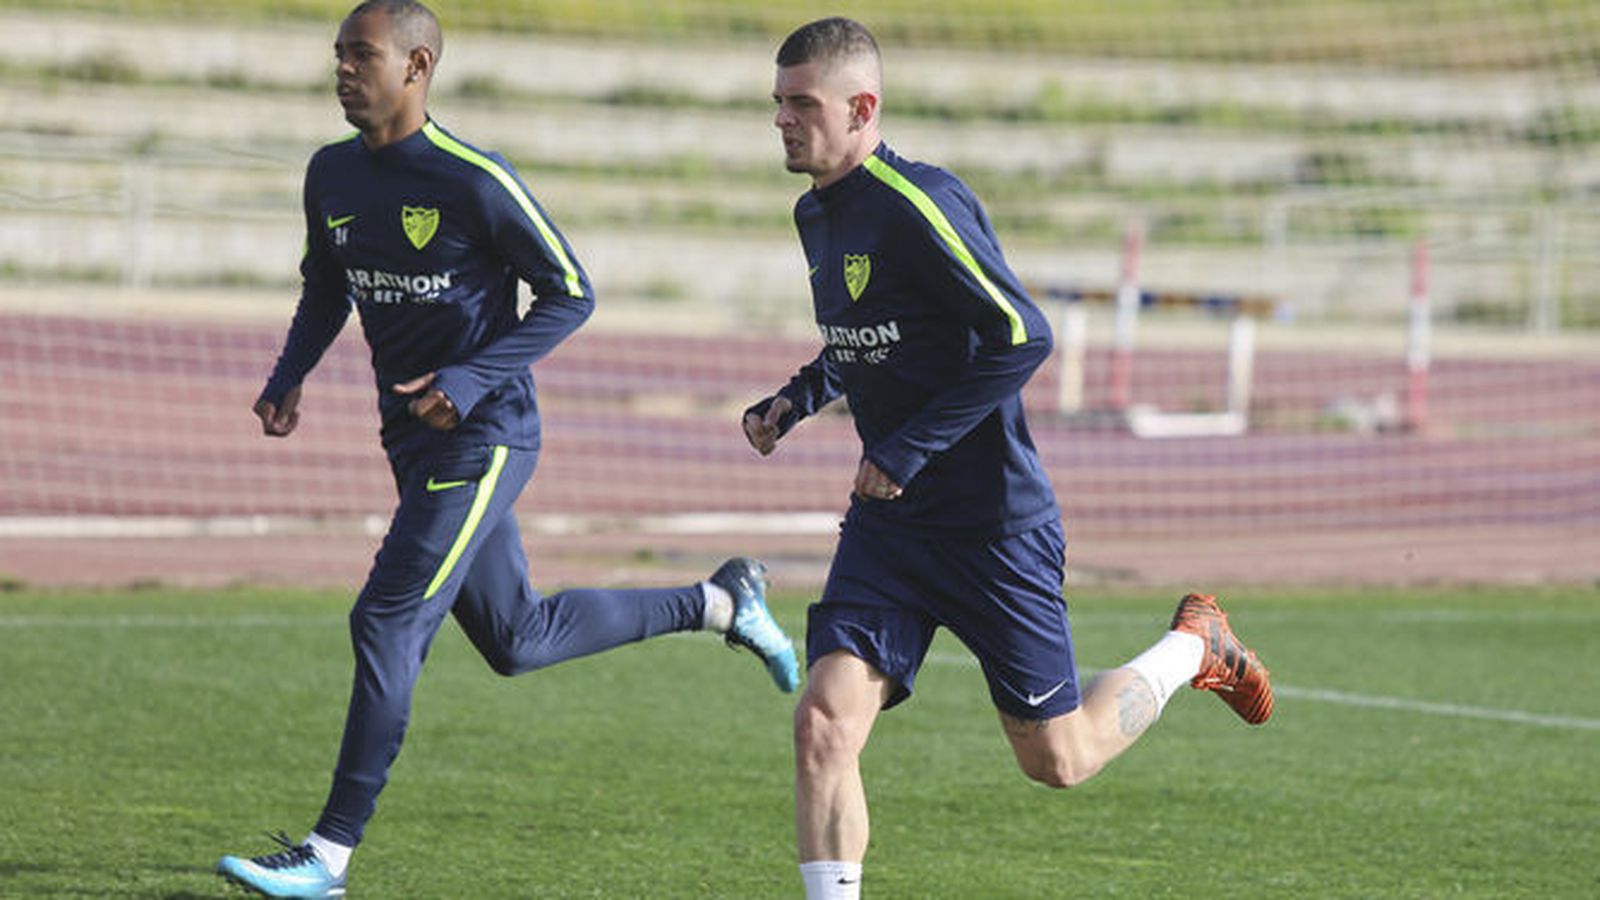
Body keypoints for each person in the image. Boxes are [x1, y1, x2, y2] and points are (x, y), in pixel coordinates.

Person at [215, 2, 799, 896]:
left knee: (384, 618)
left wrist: (472, 378)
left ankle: (326, 858)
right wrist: (289, 373)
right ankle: (720, 603)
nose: (341, 70)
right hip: (411, 442)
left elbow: (570, 292)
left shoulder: (474, 179)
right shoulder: (330, 175)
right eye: (336, 54)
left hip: (486, 438)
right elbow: (327, 287)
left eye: (359, 55)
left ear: (416, 67)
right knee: (517, 639)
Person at [743, 17, 1273, 899]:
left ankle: (1194, 647)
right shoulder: (816, 214)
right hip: (890, 529)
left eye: (803, 104)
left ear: (862, 107)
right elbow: (866, 338)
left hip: (991, 526)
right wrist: (795, 399)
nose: (783, 121)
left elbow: (1023, 335)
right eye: (778, 104)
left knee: (1058, 759)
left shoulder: (923, 203)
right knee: (823, 726)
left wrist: (908, 445)